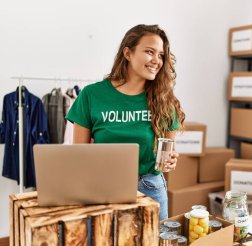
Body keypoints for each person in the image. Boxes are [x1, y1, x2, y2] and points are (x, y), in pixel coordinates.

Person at [66, 24, 185, 220]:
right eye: (149, 52)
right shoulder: (92, 95)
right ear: (128, 53)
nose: (157, 60)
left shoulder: (164, 99)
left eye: (161, 55)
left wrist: (171, 161)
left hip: (150, 187)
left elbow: (168, 152)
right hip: (103, 187)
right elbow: (79, 155)